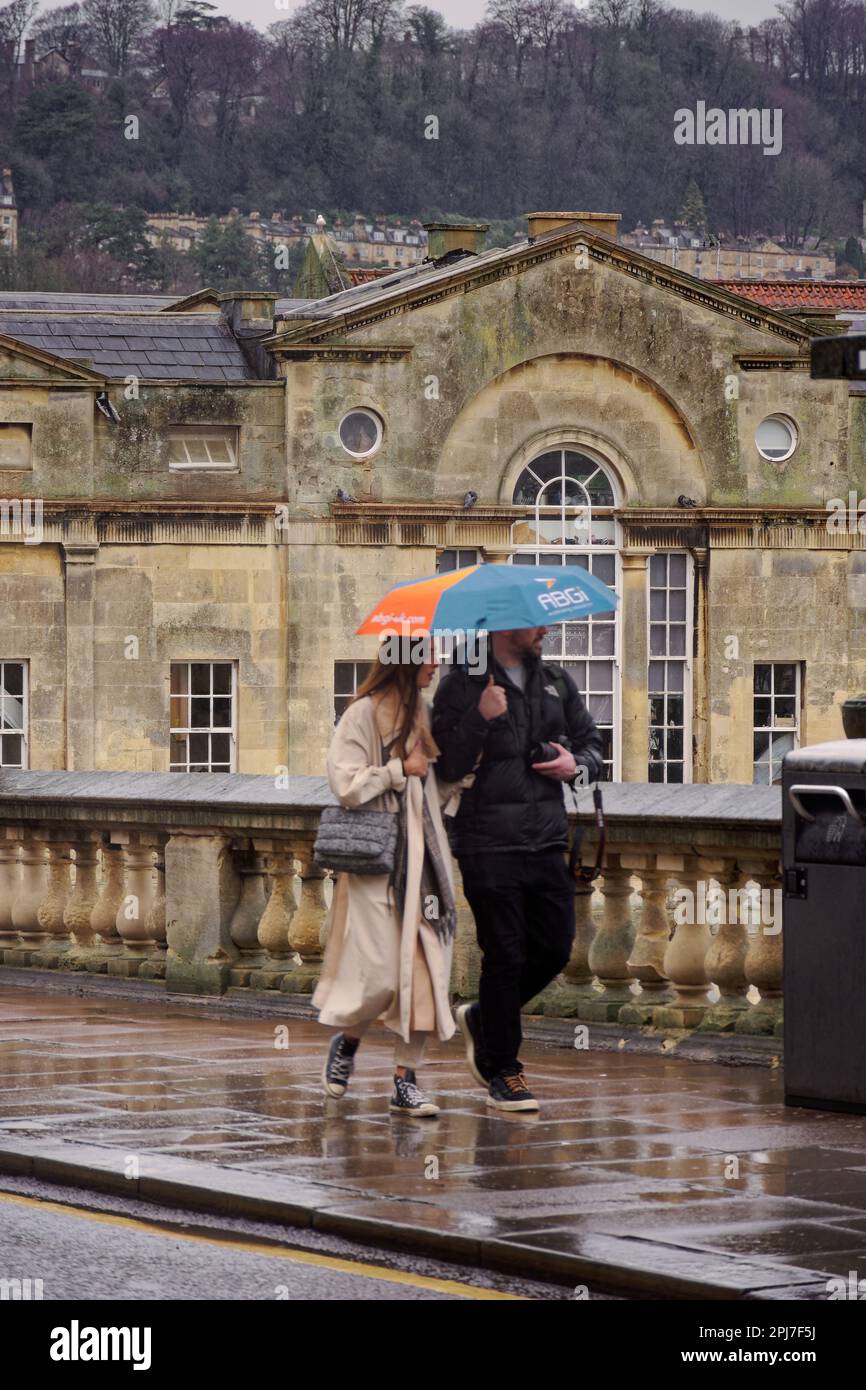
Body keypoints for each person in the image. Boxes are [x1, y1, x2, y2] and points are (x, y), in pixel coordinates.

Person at [432, 625, 604, 1112]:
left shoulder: (555, 680)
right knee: (504, 955)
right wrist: (482, 719)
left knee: (553, 949)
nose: (545, 629)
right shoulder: (462, 682)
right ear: (506, 624)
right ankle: (504, 1069)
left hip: (547, 839)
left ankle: (485, 1018)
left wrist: (577, 764)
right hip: (487, 843)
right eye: (535, 621)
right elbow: (445, 766)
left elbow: (594, 746)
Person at [314, 642, 465, 1117]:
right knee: (379, 976)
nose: (436, 664)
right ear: (405, 662)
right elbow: (345, 785)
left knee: (427, 971)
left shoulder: (424, 710)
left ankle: (405, 1079)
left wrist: (460, 775)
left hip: (425, 862)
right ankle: (348, 1041)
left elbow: (434, 786)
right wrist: (400, 770)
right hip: (377, 863)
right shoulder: (360, 715)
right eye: (428, 657)